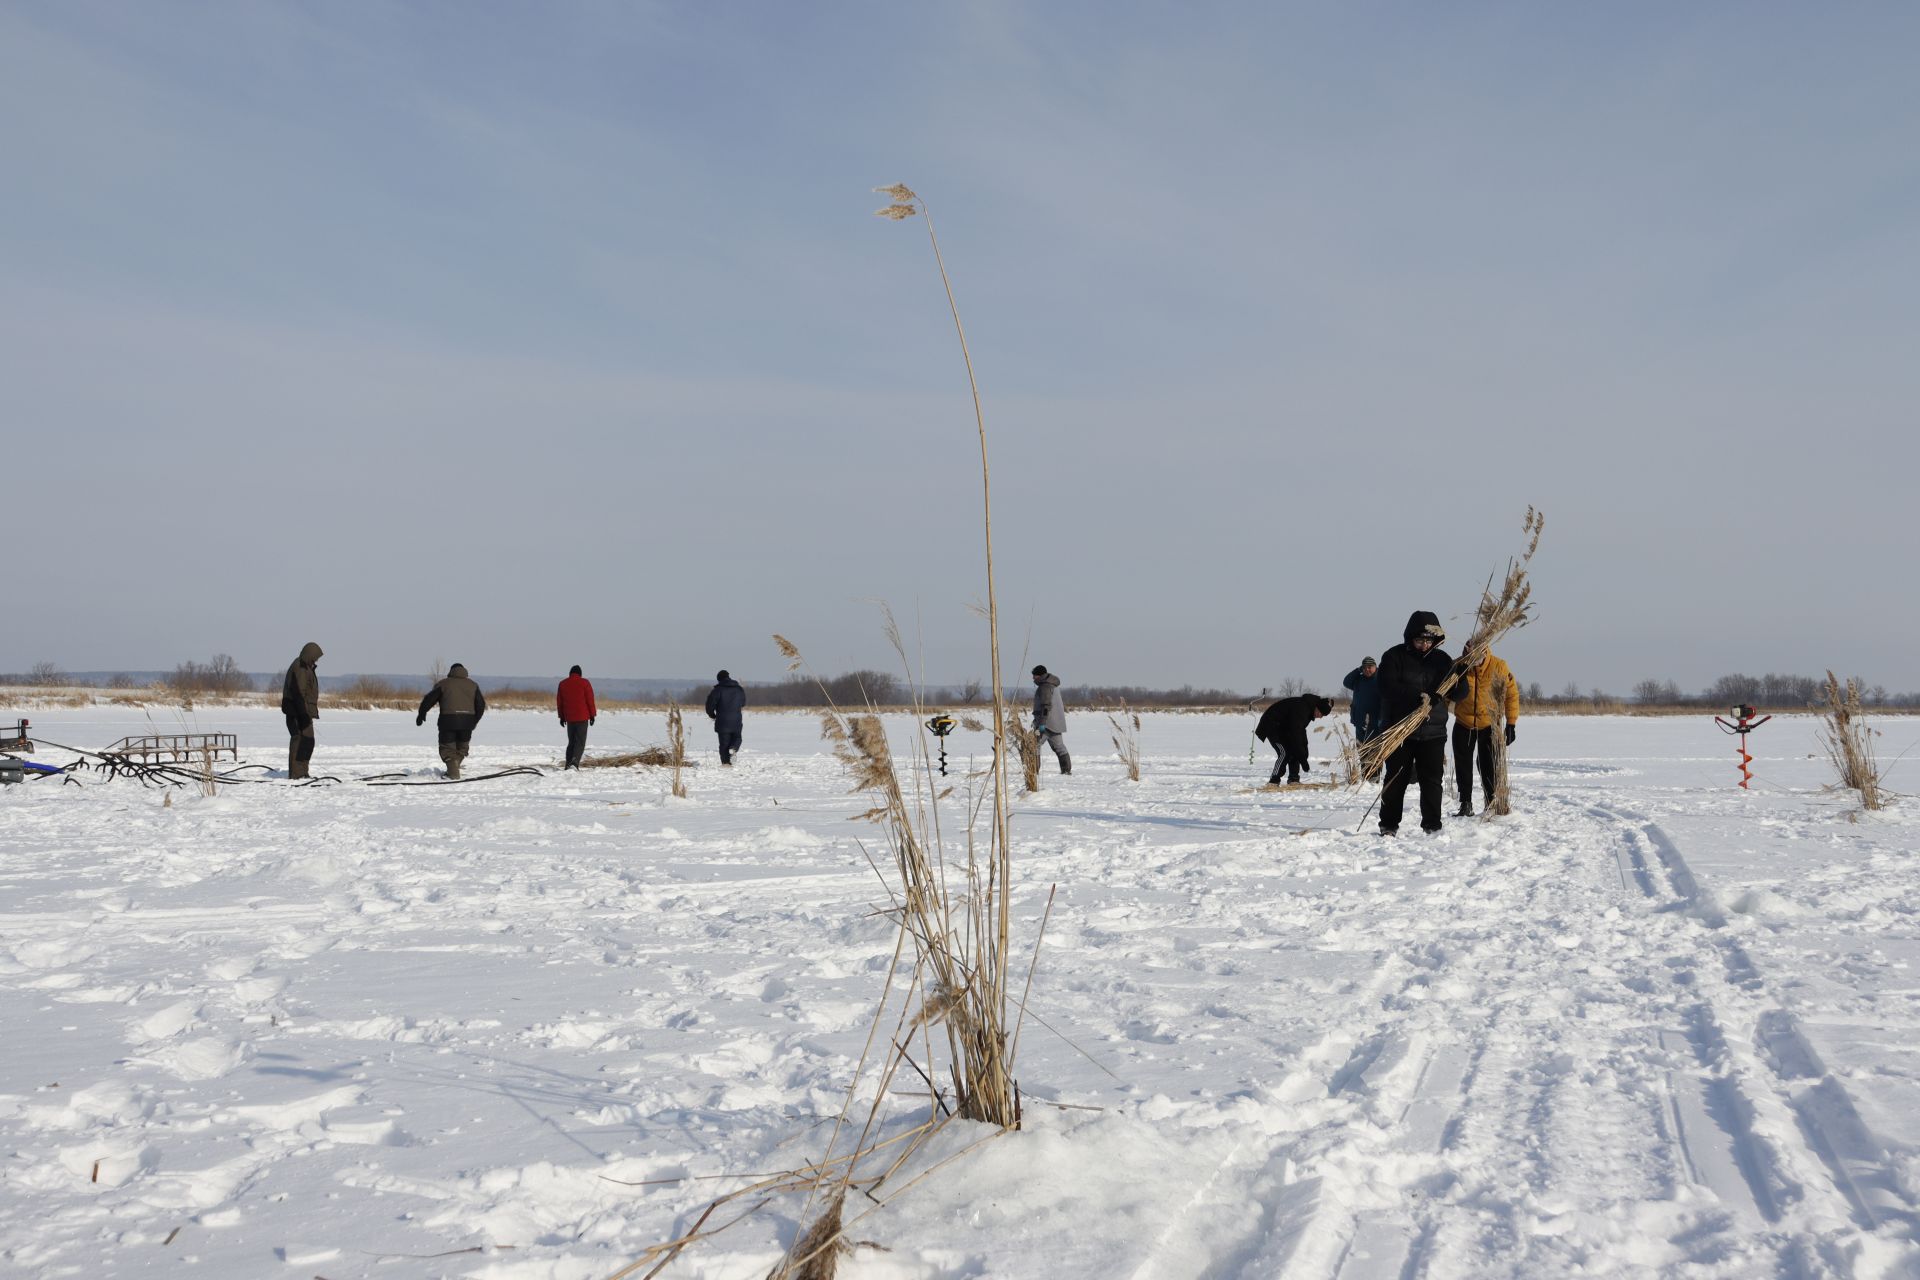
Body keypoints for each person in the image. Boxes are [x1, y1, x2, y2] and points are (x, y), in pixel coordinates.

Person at [1374, 612, 1468, 836]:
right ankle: (1388, 826)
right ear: (1410, 638)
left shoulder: (1443, 660)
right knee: (1396, 780)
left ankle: (1432, 827)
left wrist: (1462, 674)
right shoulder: (1393, 656)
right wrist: (1420, 697)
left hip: (1432, 732)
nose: (1424, 645)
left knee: (1432, 782)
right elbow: (1386, 687)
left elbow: (1460, 694)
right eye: (1419, 640)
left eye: (1429, 640)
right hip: (1400, 731)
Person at [1451, 651, 1520, 816]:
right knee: (1463, 765)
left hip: (1489, 724)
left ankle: (1491, 802)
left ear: (1484, 652)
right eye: (1469, 657)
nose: (1473, 660)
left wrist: (1511, 723)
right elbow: (1446, 693)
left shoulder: (1499, 666)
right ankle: (1465, 804)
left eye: (1477, 656)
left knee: (1488, 764)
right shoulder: (1458, 666)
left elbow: (1511, 694)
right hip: (1463, 723)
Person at [417, 663, 486, 779]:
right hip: (467, 722)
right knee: (462, 748)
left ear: (451, 671)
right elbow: (481, 705)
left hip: (448, 721)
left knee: (447, 749)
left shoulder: (444, 684)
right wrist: (474, 721)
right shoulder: (473, 685)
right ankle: (453, 767)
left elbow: (429, 699)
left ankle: (453, 773)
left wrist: (421, 714)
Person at [1254, 693, 1332, 784]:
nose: (1320, 716)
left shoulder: (1308, 711)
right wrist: (1303, 760)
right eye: (1320, 713)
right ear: (1317, 707)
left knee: (1295, 751)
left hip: (1284, 728)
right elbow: (1295, 735)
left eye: (1322, 715)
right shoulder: (1302, 710)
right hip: (1271, 726)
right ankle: (1274, 780)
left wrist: (1304, 753)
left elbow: (1301, 732)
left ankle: (1293, 779)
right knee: (1285, 752)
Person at [279, 642, 323, 780]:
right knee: (299, 741)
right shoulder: (300, 668)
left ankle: (303, 772)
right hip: (297, 713)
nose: (316, 660)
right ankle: (296, 774)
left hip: (304, 713)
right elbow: (299, 693)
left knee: (308, 742)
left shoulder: (306, 667)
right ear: (309, 654)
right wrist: (303, 714)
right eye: (315, 657)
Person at [1031, 665, 1070, 774]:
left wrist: (1042, 724)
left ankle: (1034, 772)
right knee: (1059, 747)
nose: (1033, 678)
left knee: (1034, 746)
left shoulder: (1045, 686)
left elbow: (1046, 706)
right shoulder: (1053, 684)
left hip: (1047, 723)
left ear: (1039, 675)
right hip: (1056, 723)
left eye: (1034, 675)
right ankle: (1066, 771)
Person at [557, 664, 597, 770]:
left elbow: (560, 703)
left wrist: (561, 717)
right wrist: (592, 715)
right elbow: (590, 700)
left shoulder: (562, 684)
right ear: (580, 674)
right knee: (580, 742)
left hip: (570, 718)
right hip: (582, 717)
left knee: (571, 742)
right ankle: (574, 763)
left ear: (570, 673)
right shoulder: (585, 683)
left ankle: (568, 764)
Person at [705, 669, 746, 765]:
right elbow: (743, 703)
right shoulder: (739, 689)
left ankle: (726, 763)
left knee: (724, 743)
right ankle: (733, 749)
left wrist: (712, 715)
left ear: (719, 679)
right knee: (737, 738)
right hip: (736, 720)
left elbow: (709, 706)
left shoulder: (717, 690)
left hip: (722, 721)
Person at [1342, 657, 1383, 742]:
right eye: (1364, 667)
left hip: (1376, 721)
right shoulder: (1358, 679)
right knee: (1361, 748)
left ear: (1375, 667)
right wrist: (1357, 670)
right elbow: (1346, 682)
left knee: (1374, 747)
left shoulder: (1381, 679)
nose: (1367, 669)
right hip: (1359, 720)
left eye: (1370, 667)